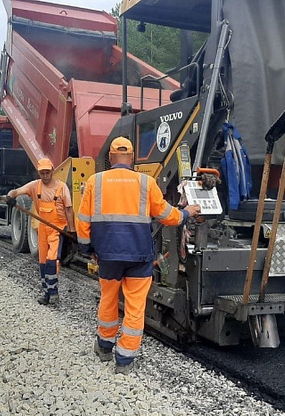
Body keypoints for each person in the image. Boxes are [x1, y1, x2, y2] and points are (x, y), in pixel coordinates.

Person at [76, 137, 202, 374]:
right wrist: (187, 212)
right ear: (132, 158)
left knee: (108, 299)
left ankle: (104, 348)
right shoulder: (146, 182)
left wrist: (88, 250)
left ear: (111, 158)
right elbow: (167, 216)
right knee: (134, 307)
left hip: (108, 256)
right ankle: (124, 360)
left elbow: (83, 222)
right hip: (139, 258)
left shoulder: (95, 181)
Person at [7, 158, 76, 305]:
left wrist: (72, 230)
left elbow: (69, 209)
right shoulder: (34, 186)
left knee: (52, 259)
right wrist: (10, 197)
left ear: (52, 171)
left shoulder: (62, 187)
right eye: (42, 173)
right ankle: (46, 293)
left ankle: (54, 293)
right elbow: (16, 191)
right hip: (43, 228)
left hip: (58, 228)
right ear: (39, 173)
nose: (45, 175)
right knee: (43, 261)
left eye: (47, 172)